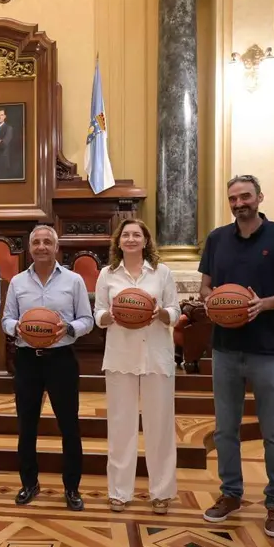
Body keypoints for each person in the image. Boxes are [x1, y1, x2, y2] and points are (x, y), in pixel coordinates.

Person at [199, 175, 274, 539]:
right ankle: (231, 494)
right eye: (233, 198)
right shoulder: (217, 239)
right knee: (224, 429)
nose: (239, 202)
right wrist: (212, 300)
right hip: (225, 349)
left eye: (245, 196)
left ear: (259, 197)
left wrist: (263, 304)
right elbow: (206, 286)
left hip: (267, 349)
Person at [1, 225, 93, 509]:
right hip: (28, 360)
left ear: (56, 247)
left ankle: (72, 488)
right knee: (26, 427)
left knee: (69, 426)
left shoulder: (74, 280)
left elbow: (87, 320)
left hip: (61, 359)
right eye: (36, 242)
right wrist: (19, 328)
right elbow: (6, 320)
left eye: (47, 242)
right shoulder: (17, 282)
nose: (41, 247)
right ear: (30, 248)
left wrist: (68, 328)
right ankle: (29, 484)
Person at [93, 219, 180, 514]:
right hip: (120, 357)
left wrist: (160, 313)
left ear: (145, 241)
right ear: (118, 242)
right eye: (126, 235)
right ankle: (119, 492)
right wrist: (113, 316)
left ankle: (161, 492)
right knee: (120, 427)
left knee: (161, 427)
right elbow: (98, 313)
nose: (131, 239)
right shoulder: (107, 274)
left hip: (156, 356)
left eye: (136, 235)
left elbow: (176, 311)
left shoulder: (162, 272)